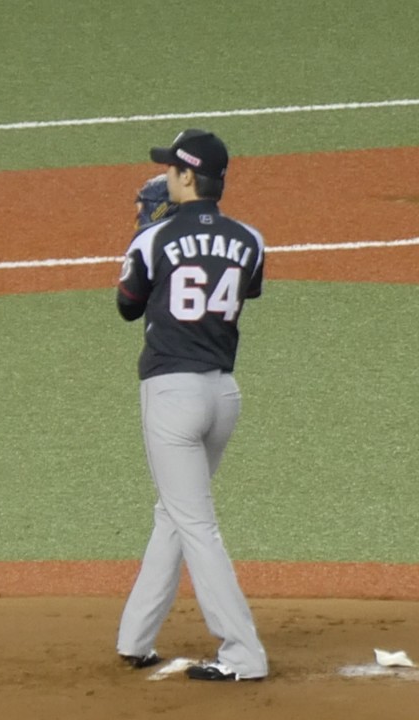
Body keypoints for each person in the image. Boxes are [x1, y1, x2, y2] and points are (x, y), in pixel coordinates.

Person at [113, 129, 269, 682]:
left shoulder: (152, 241)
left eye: (171, 168)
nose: (165, 175)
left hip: (172, 396)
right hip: (222, 396)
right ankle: (135, 638)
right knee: (175, 514)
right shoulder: (250, 239)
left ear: (186, 175)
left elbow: (127, 307)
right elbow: (244, 289)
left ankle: (243, 654)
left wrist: (147, 237)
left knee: (196, 524)